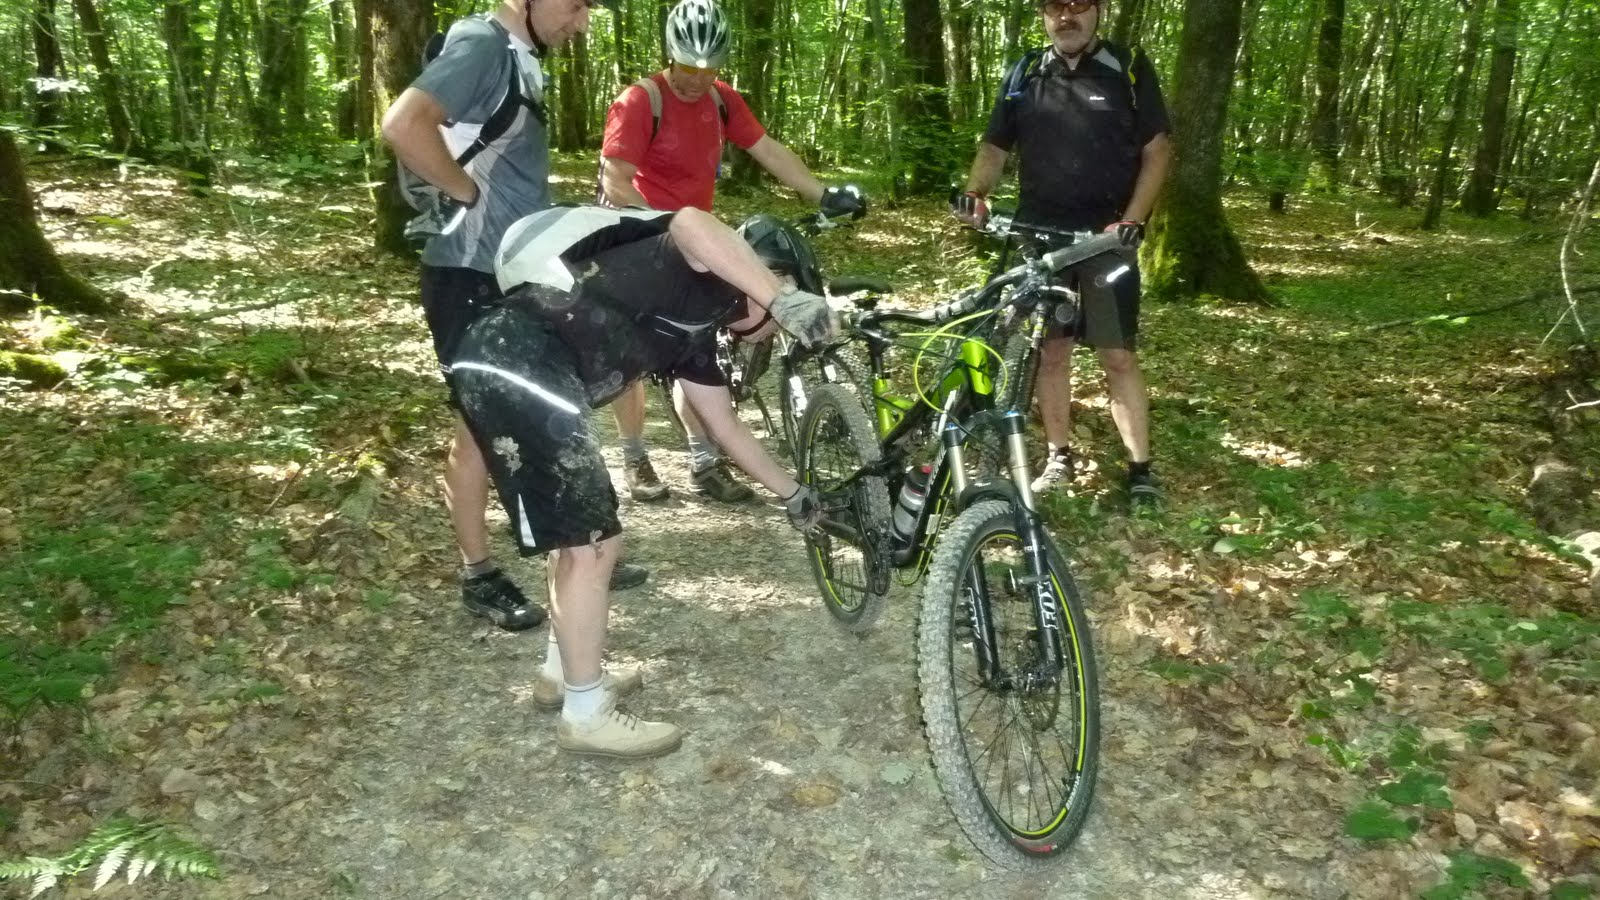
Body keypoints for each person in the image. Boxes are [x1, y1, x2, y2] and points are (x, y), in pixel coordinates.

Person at [453, 205, 833, 757]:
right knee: (591, 545)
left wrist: (793, 493)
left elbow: (726, 429)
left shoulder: (696, 334)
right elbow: (691, 220)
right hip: (518, 358)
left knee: (581, 542)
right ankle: (586, 715)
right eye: (781, 309)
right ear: (766, 274)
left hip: (515, 362)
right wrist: (780, 297)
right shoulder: (697, 270)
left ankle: (562, 673)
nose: (776, 332)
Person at [380, 0, 646, 634]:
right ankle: (479, 575)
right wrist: (466, 193)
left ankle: (576, 546)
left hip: (512, 272)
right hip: (468, 276)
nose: (582, 22)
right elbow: (404, 124)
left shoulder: (519, 57)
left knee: (542, 405)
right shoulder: (483, 45)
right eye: (577, 4)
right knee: (477, 427)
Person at [596, 0, 867, 504]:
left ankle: (704, 460)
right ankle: (634, 456)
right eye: (688, 66)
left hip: (700, 246)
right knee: (629, 353)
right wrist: (666, 227)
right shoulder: (639, 101)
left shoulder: (722, 101)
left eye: (709, 68)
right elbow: (615, 182)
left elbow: (767, 149)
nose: (697, 79)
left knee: (697, 340)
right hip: (638, 239)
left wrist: (821, 193)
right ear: (670, 54)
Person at [953, 0, 1171, 507]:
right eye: (1055, 6)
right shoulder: (1026, 72)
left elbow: (1158, 150)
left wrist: (1132, 219)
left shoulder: (1128, 67)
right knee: (1051, 350)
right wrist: (976, 193)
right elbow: (994, 147)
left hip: (1107, 239)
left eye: (1078, 4)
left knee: (1117, 355)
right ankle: (1058, 457)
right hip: (1039, 236)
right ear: (1043, 15)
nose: (1066, 16)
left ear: (1099, 11)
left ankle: (1140, 470)